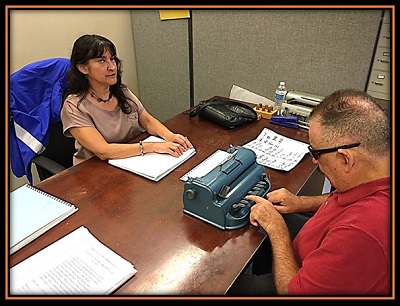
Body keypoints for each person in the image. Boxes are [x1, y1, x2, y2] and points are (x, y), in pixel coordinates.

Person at [227, 89, 391, 295]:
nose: (314, 160)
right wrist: (301, 202)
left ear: (346, 159)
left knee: (223, 285)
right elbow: (345, 198)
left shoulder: (361, 233)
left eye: (316, 153)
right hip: (317, 245)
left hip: (297, 280)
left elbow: (292, 292)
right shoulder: (375, 172)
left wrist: (277, 231)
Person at [61, 34, 193, 165]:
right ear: (83, 68)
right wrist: (152, 147)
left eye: (112, 59)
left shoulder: (121, 91)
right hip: (95, 171)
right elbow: (103, 151)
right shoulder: (74, 106)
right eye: (101, 60)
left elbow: (146, 120)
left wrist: (170, 136)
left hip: (132, 160)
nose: (112, 67)